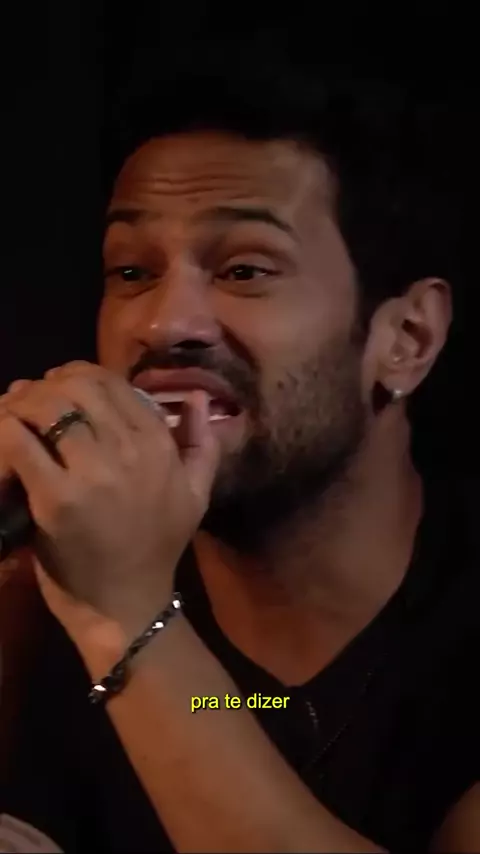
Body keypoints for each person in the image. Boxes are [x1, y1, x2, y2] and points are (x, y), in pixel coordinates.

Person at [0, 37, 478, 853]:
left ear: (407, 339)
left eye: (245, 270)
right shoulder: (43, 583)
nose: (164, 324)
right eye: (131, 271)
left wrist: (126, 615)